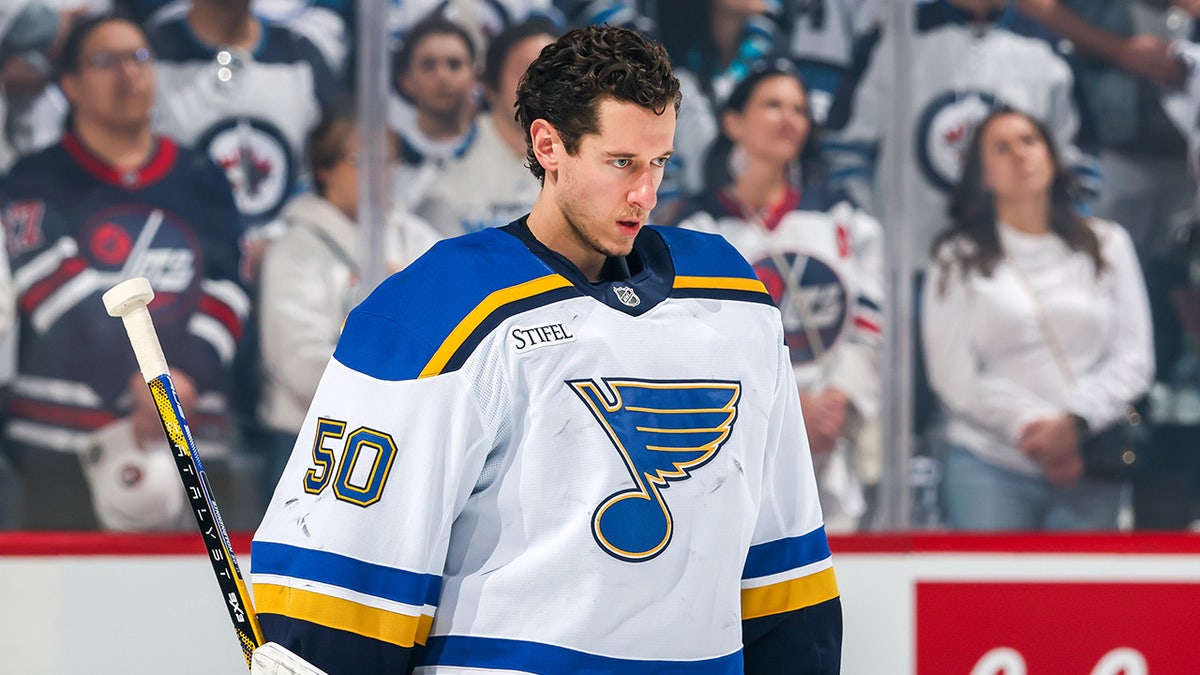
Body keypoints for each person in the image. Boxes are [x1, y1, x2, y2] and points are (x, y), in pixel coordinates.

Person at [252, 24, 842, 674]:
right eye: (621, 163)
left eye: (660, 162)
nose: (645, 193)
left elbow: (784, 577)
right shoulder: (440, 309)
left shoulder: (734, 301)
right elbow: (343, 589)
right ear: (548, 144)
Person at [0, 14, 248, 530]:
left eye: (138, 58)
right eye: (104, 61)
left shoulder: (202, 179)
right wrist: (144, 383)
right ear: (69, 85)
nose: (127, 75)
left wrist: (186, 379)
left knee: (195, 608)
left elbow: (228, 289)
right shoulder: (35, 178)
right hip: (61, 448)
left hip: (193, 436)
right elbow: (55, 290)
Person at [672, 59, 884, 532]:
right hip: (736, 441)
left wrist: (838, 399)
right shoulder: (696, 228)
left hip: (831, 438)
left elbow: (870, 322)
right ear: (732, 122)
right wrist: (786, 410)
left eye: (799, 109)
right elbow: (694, 347)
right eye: (773, 105)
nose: (789, 118)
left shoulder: (843, 217)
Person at [922, 106, 1154, 531]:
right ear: (982, 173)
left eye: (1030, 141)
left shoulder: (1106, 243)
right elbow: (952, 373)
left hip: (1089, 456)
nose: (1020, 155)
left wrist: (1074, 423)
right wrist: (1036, 433)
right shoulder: (956, 255)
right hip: (987, 463)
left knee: (1085, 597)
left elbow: (1135, 356)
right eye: (1001, 148)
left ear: (1051, 154)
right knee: (988, 598)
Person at [256, 108, 440, 511]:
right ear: (324, 169)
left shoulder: (419, 239)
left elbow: (451, 330)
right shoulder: (297, 248)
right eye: (361, 161)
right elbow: (297, 360)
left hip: (407, 437)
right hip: (311, 441)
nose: (379, 173)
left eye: (387, 161)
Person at [416, 18, 558, 237]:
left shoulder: (587, 165)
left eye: (554, 74)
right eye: (527, 72)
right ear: (490, 85)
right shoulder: (445, 180)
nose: (541, 86)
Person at [388, 14, 481, 211]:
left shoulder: (501, 149)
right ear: (405, 80)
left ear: (474, 76)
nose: (442, 76)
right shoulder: (384, 158)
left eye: (454, 64)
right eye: (428, 65)